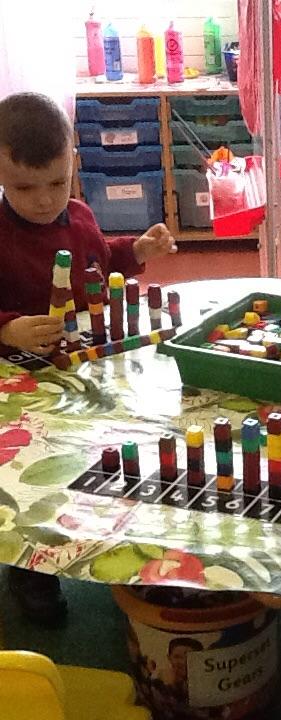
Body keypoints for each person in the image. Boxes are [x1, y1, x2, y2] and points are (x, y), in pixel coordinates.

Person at [0, 91, 177, 624]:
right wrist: (8, 327)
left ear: (74, 162)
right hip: (22, 384)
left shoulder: (78, 215)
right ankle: (30, 570)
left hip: (85, 368)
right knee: (32, 480)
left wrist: (136, 251)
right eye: (24, 187)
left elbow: (99, 260)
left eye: (56, 182)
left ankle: (101, 536)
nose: (43, 200)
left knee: (93, 459)